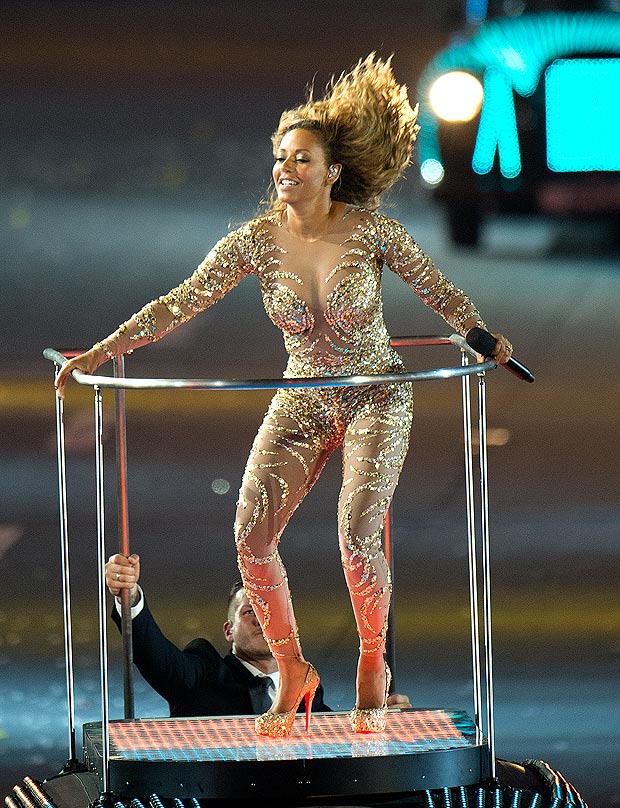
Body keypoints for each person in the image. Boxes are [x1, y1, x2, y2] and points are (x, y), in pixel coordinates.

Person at [55, 53, 514, 738]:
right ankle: (293, 667)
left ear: (332, 172)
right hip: (302, 394)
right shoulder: (256, 242)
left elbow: (436, 290)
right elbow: (181, 302)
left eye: (301, 160)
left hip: (373, 393)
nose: (285, 171)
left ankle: (369, 663)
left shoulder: (371, 232)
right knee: (251, 533)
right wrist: (105, 349)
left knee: (356, 534)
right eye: (281, 159)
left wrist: (479, 333)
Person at [104, 552, 411, 717]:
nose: (264, 622)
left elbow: (338, 737)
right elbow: (154, 655)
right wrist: (128, 597)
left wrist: (386, 719)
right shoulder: (203, 673)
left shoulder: (307, 690)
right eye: (250, 612)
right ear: (229, 631)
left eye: (273, 614)